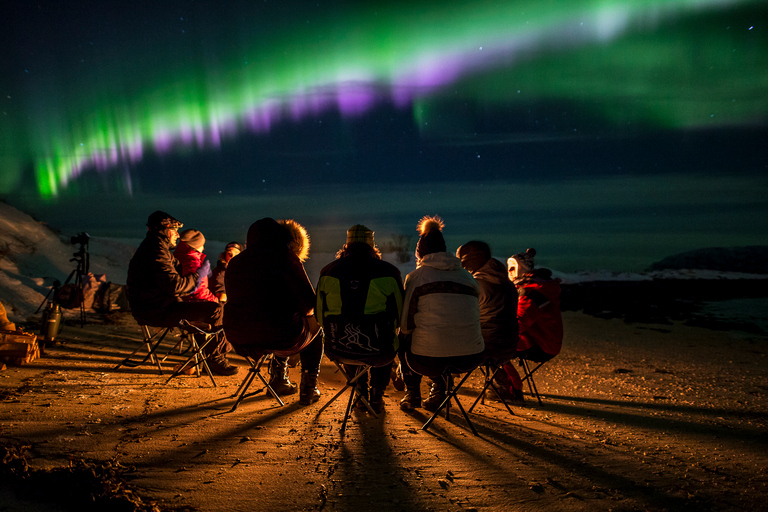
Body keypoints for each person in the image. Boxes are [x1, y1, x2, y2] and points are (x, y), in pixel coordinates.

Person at [224, 218, 323, 405]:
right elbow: (309, 305)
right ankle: (308, 389)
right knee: (314, 326)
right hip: (281, 335)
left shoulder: (236, 262)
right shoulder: (285, 258)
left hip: (240, 335)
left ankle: (279, 379)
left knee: (282, 322)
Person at [126, 211, 238, 376]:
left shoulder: (155, 247)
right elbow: (174, 285)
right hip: (156, 310)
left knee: (206, 310)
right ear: (166, 230)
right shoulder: (157, 250)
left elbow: (172, 278)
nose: (177, 235)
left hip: (157, 306)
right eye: (175, 230)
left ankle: (210, 357)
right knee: (216, 310)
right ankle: (215, 360)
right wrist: (198, 276)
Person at [399, 215, 484, 411]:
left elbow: (405, 325)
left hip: (428, 360)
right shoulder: (468, 277)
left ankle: (412, 393)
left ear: (420, 254)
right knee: (443, 336)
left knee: (405, 340)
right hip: (471, 356)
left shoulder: (416, 277)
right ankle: (440, 390)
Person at [316, 224, 404, 413]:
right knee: (386, 338)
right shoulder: (388, 272)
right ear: (373, 248)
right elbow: (400, 314)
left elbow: (319, 315)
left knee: (344, 332)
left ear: (346, 247)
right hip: (380, 352)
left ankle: (360, 393)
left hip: (338, 349)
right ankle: (377, 397)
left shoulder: (328, 271)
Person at [456, 240, 519, 401]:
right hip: (510, 346)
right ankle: (502, 385)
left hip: (486, 347)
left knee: (447, 339)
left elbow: (463, 317)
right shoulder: (508, 284)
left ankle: (442, 388)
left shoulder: (477, 285)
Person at [502, 248, 563, 402]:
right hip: (542, 340)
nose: (508, 272)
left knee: (491, 347)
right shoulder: (535, 286)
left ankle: (512, 389)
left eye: (511, 268)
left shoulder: (531, 292)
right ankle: (506, 387)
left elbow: (519, 323)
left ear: (519, 269)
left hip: (542, 345)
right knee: (491, 342)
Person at [174, 229, 218, 303]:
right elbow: (199, 291)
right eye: (201, 245)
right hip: (191, 303)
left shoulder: (177, 256)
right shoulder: (192, 262)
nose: (203, 248)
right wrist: (217, 301)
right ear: (195, 246)